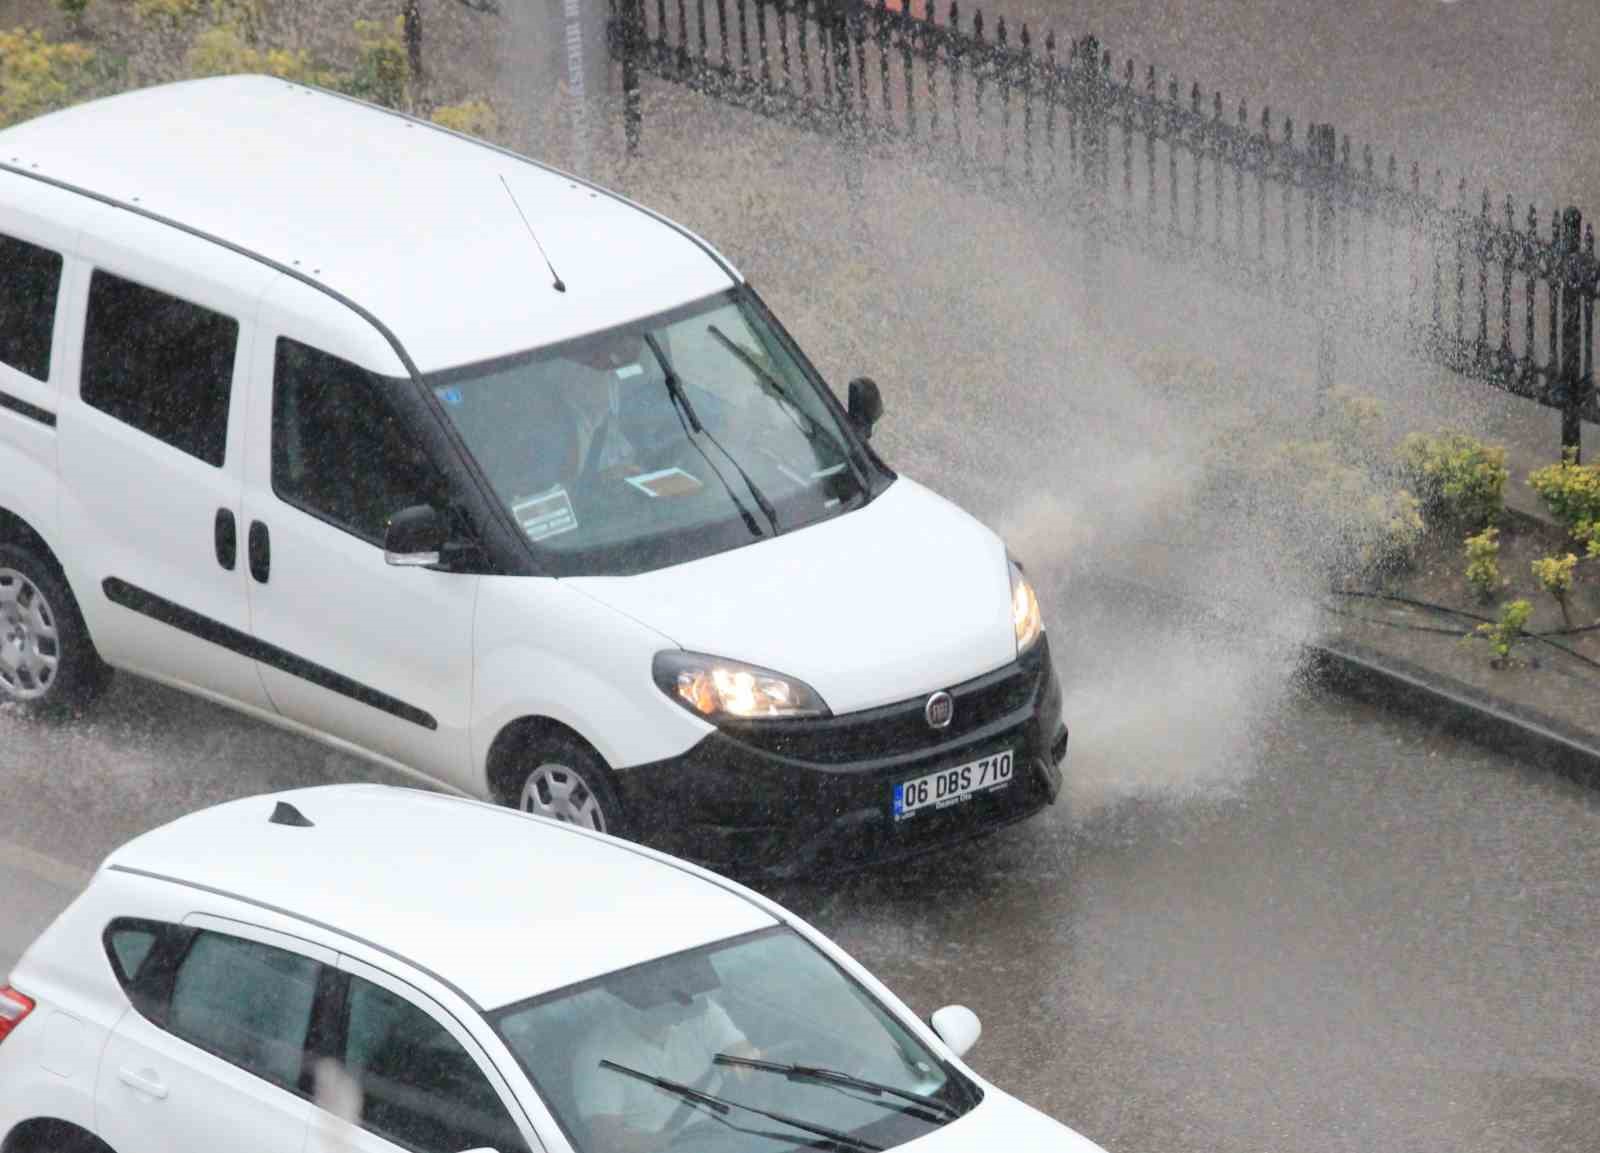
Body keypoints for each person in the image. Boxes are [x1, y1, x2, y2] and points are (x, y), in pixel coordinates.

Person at [571, 986, 761, 1153]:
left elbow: (742, 1057)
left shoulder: (699, 1012)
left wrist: (745, 1061)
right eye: (669, 1008)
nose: (680, 1017)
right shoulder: (598, 1056)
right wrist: (674, 1142)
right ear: (635, 1004)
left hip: (724, 1136)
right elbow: (607, 1142)